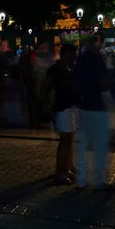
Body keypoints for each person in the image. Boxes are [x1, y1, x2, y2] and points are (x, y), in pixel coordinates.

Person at [76, 35, 112, 189]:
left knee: (82, 146)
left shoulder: (81, 59)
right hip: (97, 106)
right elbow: (103, 83)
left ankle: (81, 180)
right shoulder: (97, 59)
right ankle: (98, 180)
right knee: (100, 146)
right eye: (100, 41)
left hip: (83, 106)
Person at [42, 43, 80, 185]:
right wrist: (47, 105)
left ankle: (66, 168)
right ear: (67, 55)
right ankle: (59, 173)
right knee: (65, 141)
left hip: (70, 107)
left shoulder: (70, 68)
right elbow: (45, 87)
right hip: (62, 107)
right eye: (73, 55)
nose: (74, 58)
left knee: (69, 140)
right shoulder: (56, 69)